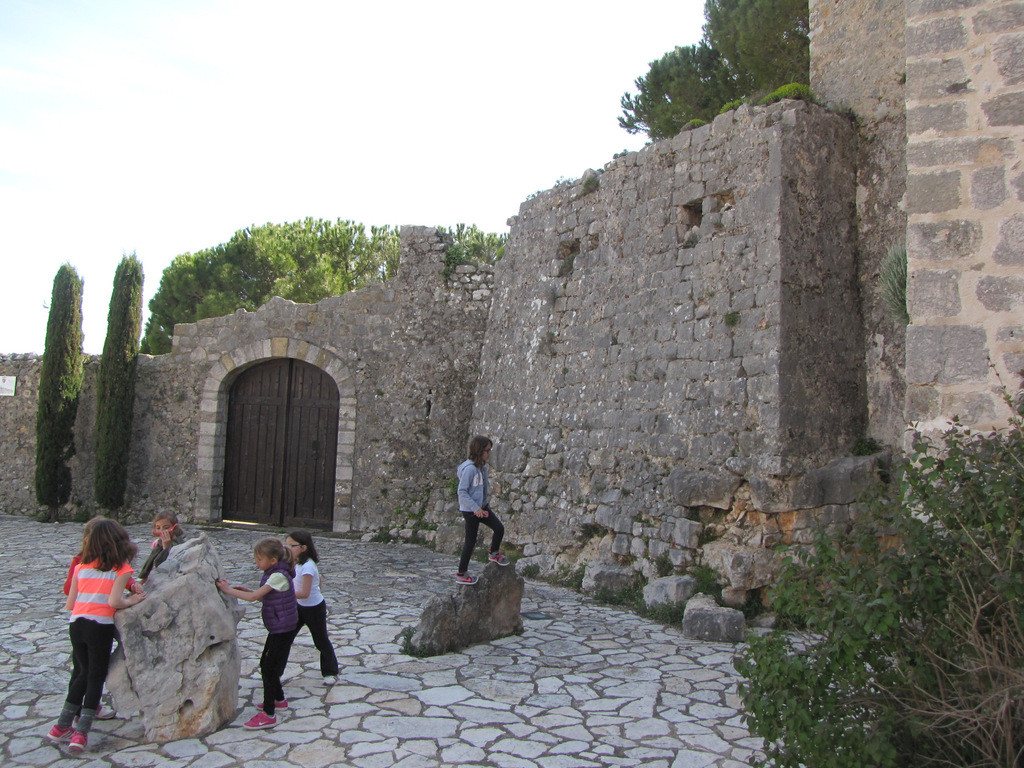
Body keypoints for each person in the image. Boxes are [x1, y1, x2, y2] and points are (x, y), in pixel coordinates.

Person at [48, 518, 146, 753]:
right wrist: (131, 600)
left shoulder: (81, 567)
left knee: (81, 672)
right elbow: (114, 601)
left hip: (77, 625)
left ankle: (61, 726)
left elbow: (70, 603)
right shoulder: (121, 569)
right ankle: (81, 733)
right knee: (95, 676)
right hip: (99, 627)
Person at [216, 538, 298, 730]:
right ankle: (279, 699)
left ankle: (268, 714)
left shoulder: (278, 575)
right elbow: (264, 596)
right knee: (266, 664)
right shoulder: (274, 573)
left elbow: (254, 598)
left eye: (259, 559)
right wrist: (247, 591)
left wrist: (228, 590)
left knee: (269, 668)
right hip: (279, 625)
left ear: (272, 560)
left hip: (282, 627)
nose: (256, 562)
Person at [285, 530, 340, 685]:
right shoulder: (296, 563)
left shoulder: (308, 566)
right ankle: (277, 672)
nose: (288, 548)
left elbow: (305, 593)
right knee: (285, 638)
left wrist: (283, 594)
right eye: (287, 545)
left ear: (303, 548)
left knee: (320, 640)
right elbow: (319, 581)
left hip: (314, 608)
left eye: (292, 545)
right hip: (299, 607)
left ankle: (330, 672)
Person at [455, 435, 510, 585]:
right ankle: (461, 573)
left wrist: (483, 506)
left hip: (482, 507)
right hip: (470, 510)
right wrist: (475, 508)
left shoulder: (482, 467)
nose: (489, 453)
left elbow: (482, 489)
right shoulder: (470, 470)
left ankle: (494, 553)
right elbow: (462, 492)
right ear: (479, 451)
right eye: (487, 450)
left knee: (499, 528)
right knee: (470, 541)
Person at [137, 510, 186, 582]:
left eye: (166, 527)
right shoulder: (157, 543)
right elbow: (152, 565)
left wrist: (166, 548)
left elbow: (166, 565)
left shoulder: (181, 543)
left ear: (174, 527)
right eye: (158, 528)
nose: (162, 531)